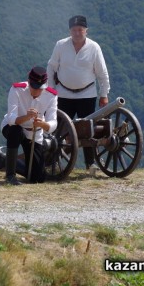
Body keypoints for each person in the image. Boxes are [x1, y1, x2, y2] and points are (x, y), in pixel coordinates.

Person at [46, 15, 110, 171]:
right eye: (74, 30)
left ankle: (90, 163)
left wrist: (104, 94)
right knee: (57, 130)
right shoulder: (60, 45)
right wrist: (51, 89)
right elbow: (51, 67)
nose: (77, 33)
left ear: (86, 30)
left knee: (88, 131)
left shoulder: (94, 47)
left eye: (80, 29)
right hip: (62, 94)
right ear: (70, 31)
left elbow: (102, 73)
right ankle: (51, 162)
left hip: (86, 95)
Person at [0, 66, 58, 185]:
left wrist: (43, 124)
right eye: (34, 88)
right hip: (13, 127)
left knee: (38, 178)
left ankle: (4, 160)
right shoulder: (16, 90)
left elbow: (53, 122)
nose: (36, 92)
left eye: (40, 89)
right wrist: (27, 117)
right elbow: (11, 119)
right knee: (15, 131)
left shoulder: (52, 95)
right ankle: (10, 176)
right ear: (29, 82)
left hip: (34, 133)